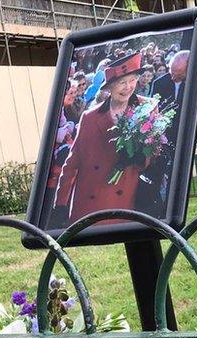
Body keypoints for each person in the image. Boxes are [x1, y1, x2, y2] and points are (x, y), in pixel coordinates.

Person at [51, 52, 157, 227]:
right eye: (122, 82)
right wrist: (60, 204)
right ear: (110, 87)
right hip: (90, 204)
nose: (127, 87)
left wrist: (140, 156)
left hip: (129, 200)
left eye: (132, 80)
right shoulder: (89, 117)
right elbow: (72, 162)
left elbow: (155, 154)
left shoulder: (148, 108)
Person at [140, 50, 191, 217]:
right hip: (163, 137)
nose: (172, 76)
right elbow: (154, 110)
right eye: (171, 71)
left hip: (183, 135)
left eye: (177, 73)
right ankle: (159, 206)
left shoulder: (193, 82)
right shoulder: (160, 83)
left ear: (188, 70)